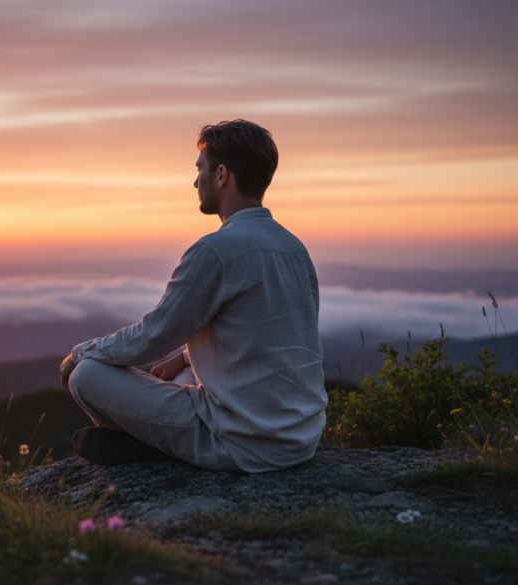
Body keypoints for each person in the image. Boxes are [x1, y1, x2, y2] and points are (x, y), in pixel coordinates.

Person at [59, 119, 326, 473]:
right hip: (299, 439)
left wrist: (80, 354)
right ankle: (161, 438)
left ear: (221, 175)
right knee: (178, 378)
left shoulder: (215, 251)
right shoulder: (294, 247)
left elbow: (151, 338)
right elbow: (270, 332)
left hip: (242, 442)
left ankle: (156, 445)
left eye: (199, 169)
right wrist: (186, 357)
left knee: (87, 376)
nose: (195, 180)